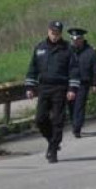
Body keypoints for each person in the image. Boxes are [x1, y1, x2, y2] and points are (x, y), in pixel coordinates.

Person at [25, 21, 81, 162]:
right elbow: (33, 69)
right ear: (48, 31)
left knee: (57, 120)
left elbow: (74, 70)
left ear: (61, 33)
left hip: (60, 88)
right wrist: (30, 87)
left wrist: (72, 89)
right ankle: (52, 140)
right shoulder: (40, 48)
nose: (54, 36)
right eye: (52, 32)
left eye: (57, 33)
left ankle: (53, 150)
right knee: (40, 119)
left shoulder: (67, 49)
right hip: (44, 88)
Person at [66, 27, 96, 138]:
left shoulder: (90, 52)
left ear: (82, 39)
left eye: (77, 39)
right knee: (71, 105)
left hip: (83, 82)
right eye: (73, 39)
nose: (75, 41)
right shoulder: (67, 51)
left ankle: (77, 127)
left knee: (79, 105)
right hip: (70, 83)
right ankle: (74, 123)